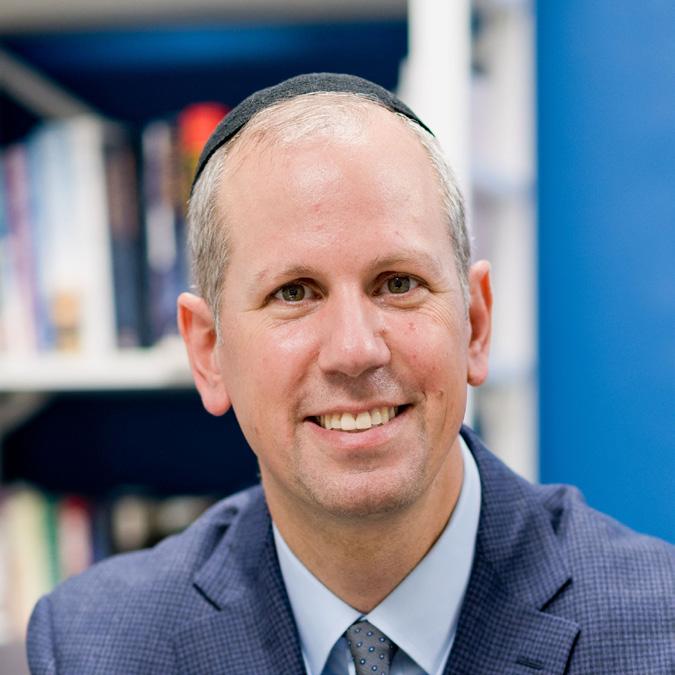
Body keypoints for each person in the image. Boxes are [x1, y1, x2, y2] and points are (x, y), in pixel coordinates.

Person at [27, 73, 673, 675]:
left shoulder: (658, 630)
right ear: (208, 352)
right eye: (293, 292)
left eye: (398, 283)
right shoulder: (93, 646)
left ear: (475, 324)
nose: (355, 350)